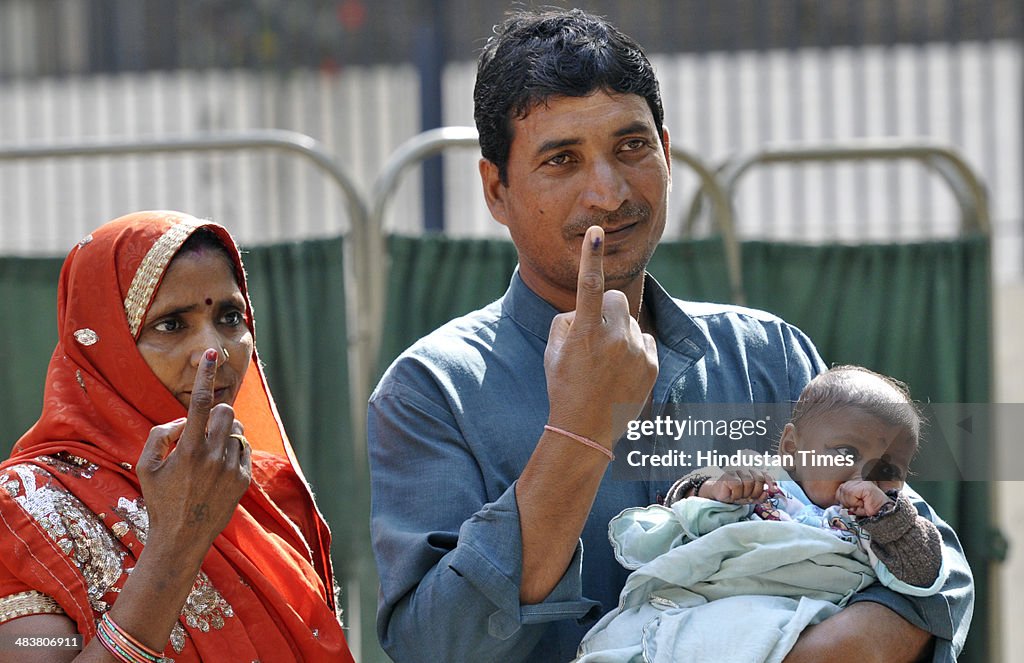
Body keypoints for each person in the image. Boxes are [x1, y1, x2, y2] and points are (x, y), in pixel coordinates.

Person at [368, 8, 972, 662]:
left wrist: (833, 648)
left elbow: (934, 573)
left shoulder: (769, 357)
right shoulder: (431, 393)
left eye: (631, 147)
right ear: (496, 189)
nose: (607, 192)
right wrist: (579, 429)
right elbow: (434, 645)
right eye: (562, 159)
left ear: (666, 149)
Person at [0, 211, 355, 662]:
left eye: (230, 316)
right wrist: (180, 540)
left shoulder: (264, 488)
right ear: (103, 345)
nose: (215, 351)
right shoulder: (25, 510)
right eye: (170, 325)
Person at [576, 366, 949, 662]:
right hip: (710, 601)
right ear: (791, 448)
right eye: (846, 454)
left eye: (888, 470)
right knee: (631, 640)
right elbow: (686, 512)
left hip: (799, 623)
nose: (862, 477)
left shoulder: (883, 520)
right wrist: (716, 488)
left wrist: (887, 517)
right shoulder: (765, 482)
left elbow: (922, 573)